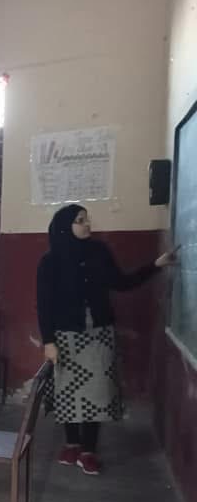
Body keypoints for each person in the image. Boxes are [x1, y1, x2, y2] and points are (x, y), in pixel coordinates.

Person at [36, 204, 178, 475]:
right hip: (66, 336)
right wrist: (48, 341)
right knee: (69, 391)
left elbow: (122, 282)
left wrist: (156, 265)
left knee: (97, 392)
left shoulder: (99, 252)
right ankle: (72, 443)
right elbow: (44, 305)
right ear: (65, 226)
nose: (87, 224)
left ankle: (88, 450)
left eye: (87, 219)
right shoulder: (50, 262)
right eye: (81, 220)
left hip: (99, 335)